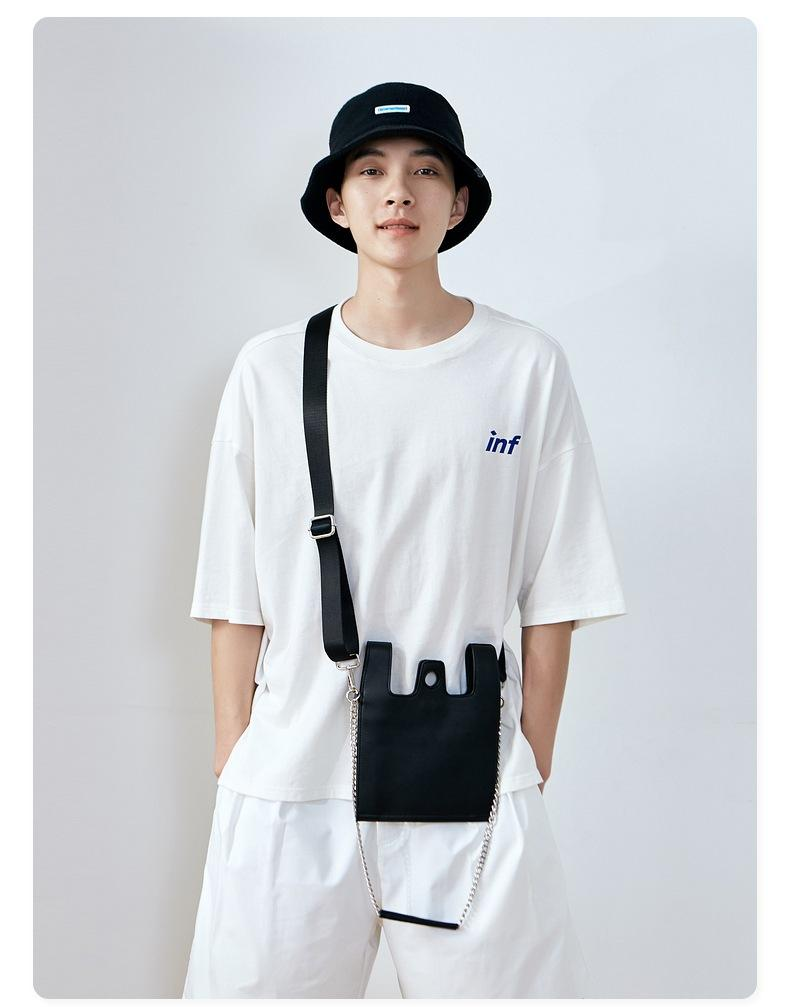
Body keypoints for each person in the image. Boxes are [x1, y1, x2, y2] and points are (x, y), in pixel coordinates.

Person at [181, 81, 627, 998]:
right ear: (337, 202)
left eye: (426, 171)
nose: (398, 192)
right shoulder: (271, 369)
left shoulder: (524, 364)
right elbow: (232, 584)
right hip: (294, 779)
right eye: (371, 171)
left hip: (467, 769)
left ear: (457, 204)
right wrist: (238, 753)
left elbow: (559, 584)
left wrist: (529, 755)